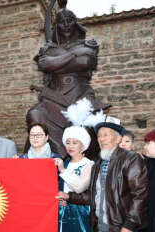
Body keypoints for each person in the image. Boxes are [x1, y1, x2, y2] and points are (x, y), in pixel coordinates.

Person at [58, 121, 148, 232]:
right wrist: (69, 197)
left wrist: (129, 224)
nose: (102, 139)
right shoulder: (99, 163)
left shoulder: (131, 159)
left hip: (121, 228)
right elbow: (93, 196)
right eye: (99, 136)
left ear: (118, 139)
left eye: (106, 135)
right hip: (102, 229)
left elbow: (139, 194)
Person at [26, 0, 109, 157]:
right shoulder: (49, 48)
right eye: (61, 21)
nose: (65, 25)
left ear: (75, 23)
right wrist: (73, 55)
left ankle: (75, 162)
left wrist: (56, 60)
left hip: (80, 96)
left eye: (69, 20)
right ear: (56, 25)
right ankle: (52, 156)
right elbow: (44, 64)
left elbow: (86, 61)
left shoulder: (87, 44)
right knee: (34, 115)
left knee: (80, 129)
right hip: (54, 98)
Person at [15, 122, 62, 232]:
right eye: (32, 135)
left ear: (47, 137)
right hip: (26, 216)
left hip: (47, 217)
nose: (35, 138)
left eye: (39, 135)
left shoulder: (56, 160)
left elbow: (61, 185)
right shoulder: (21, 160)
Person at [55, 126, 97, 232]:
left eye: (75, 142)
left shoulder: (89, 164)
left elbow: (79, 187)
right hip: (61, 213)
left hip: (80, 214)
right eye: (68, 142)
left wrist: (62, 170)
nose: (70, 146)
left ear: (83, 145)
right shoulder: (65, 162)